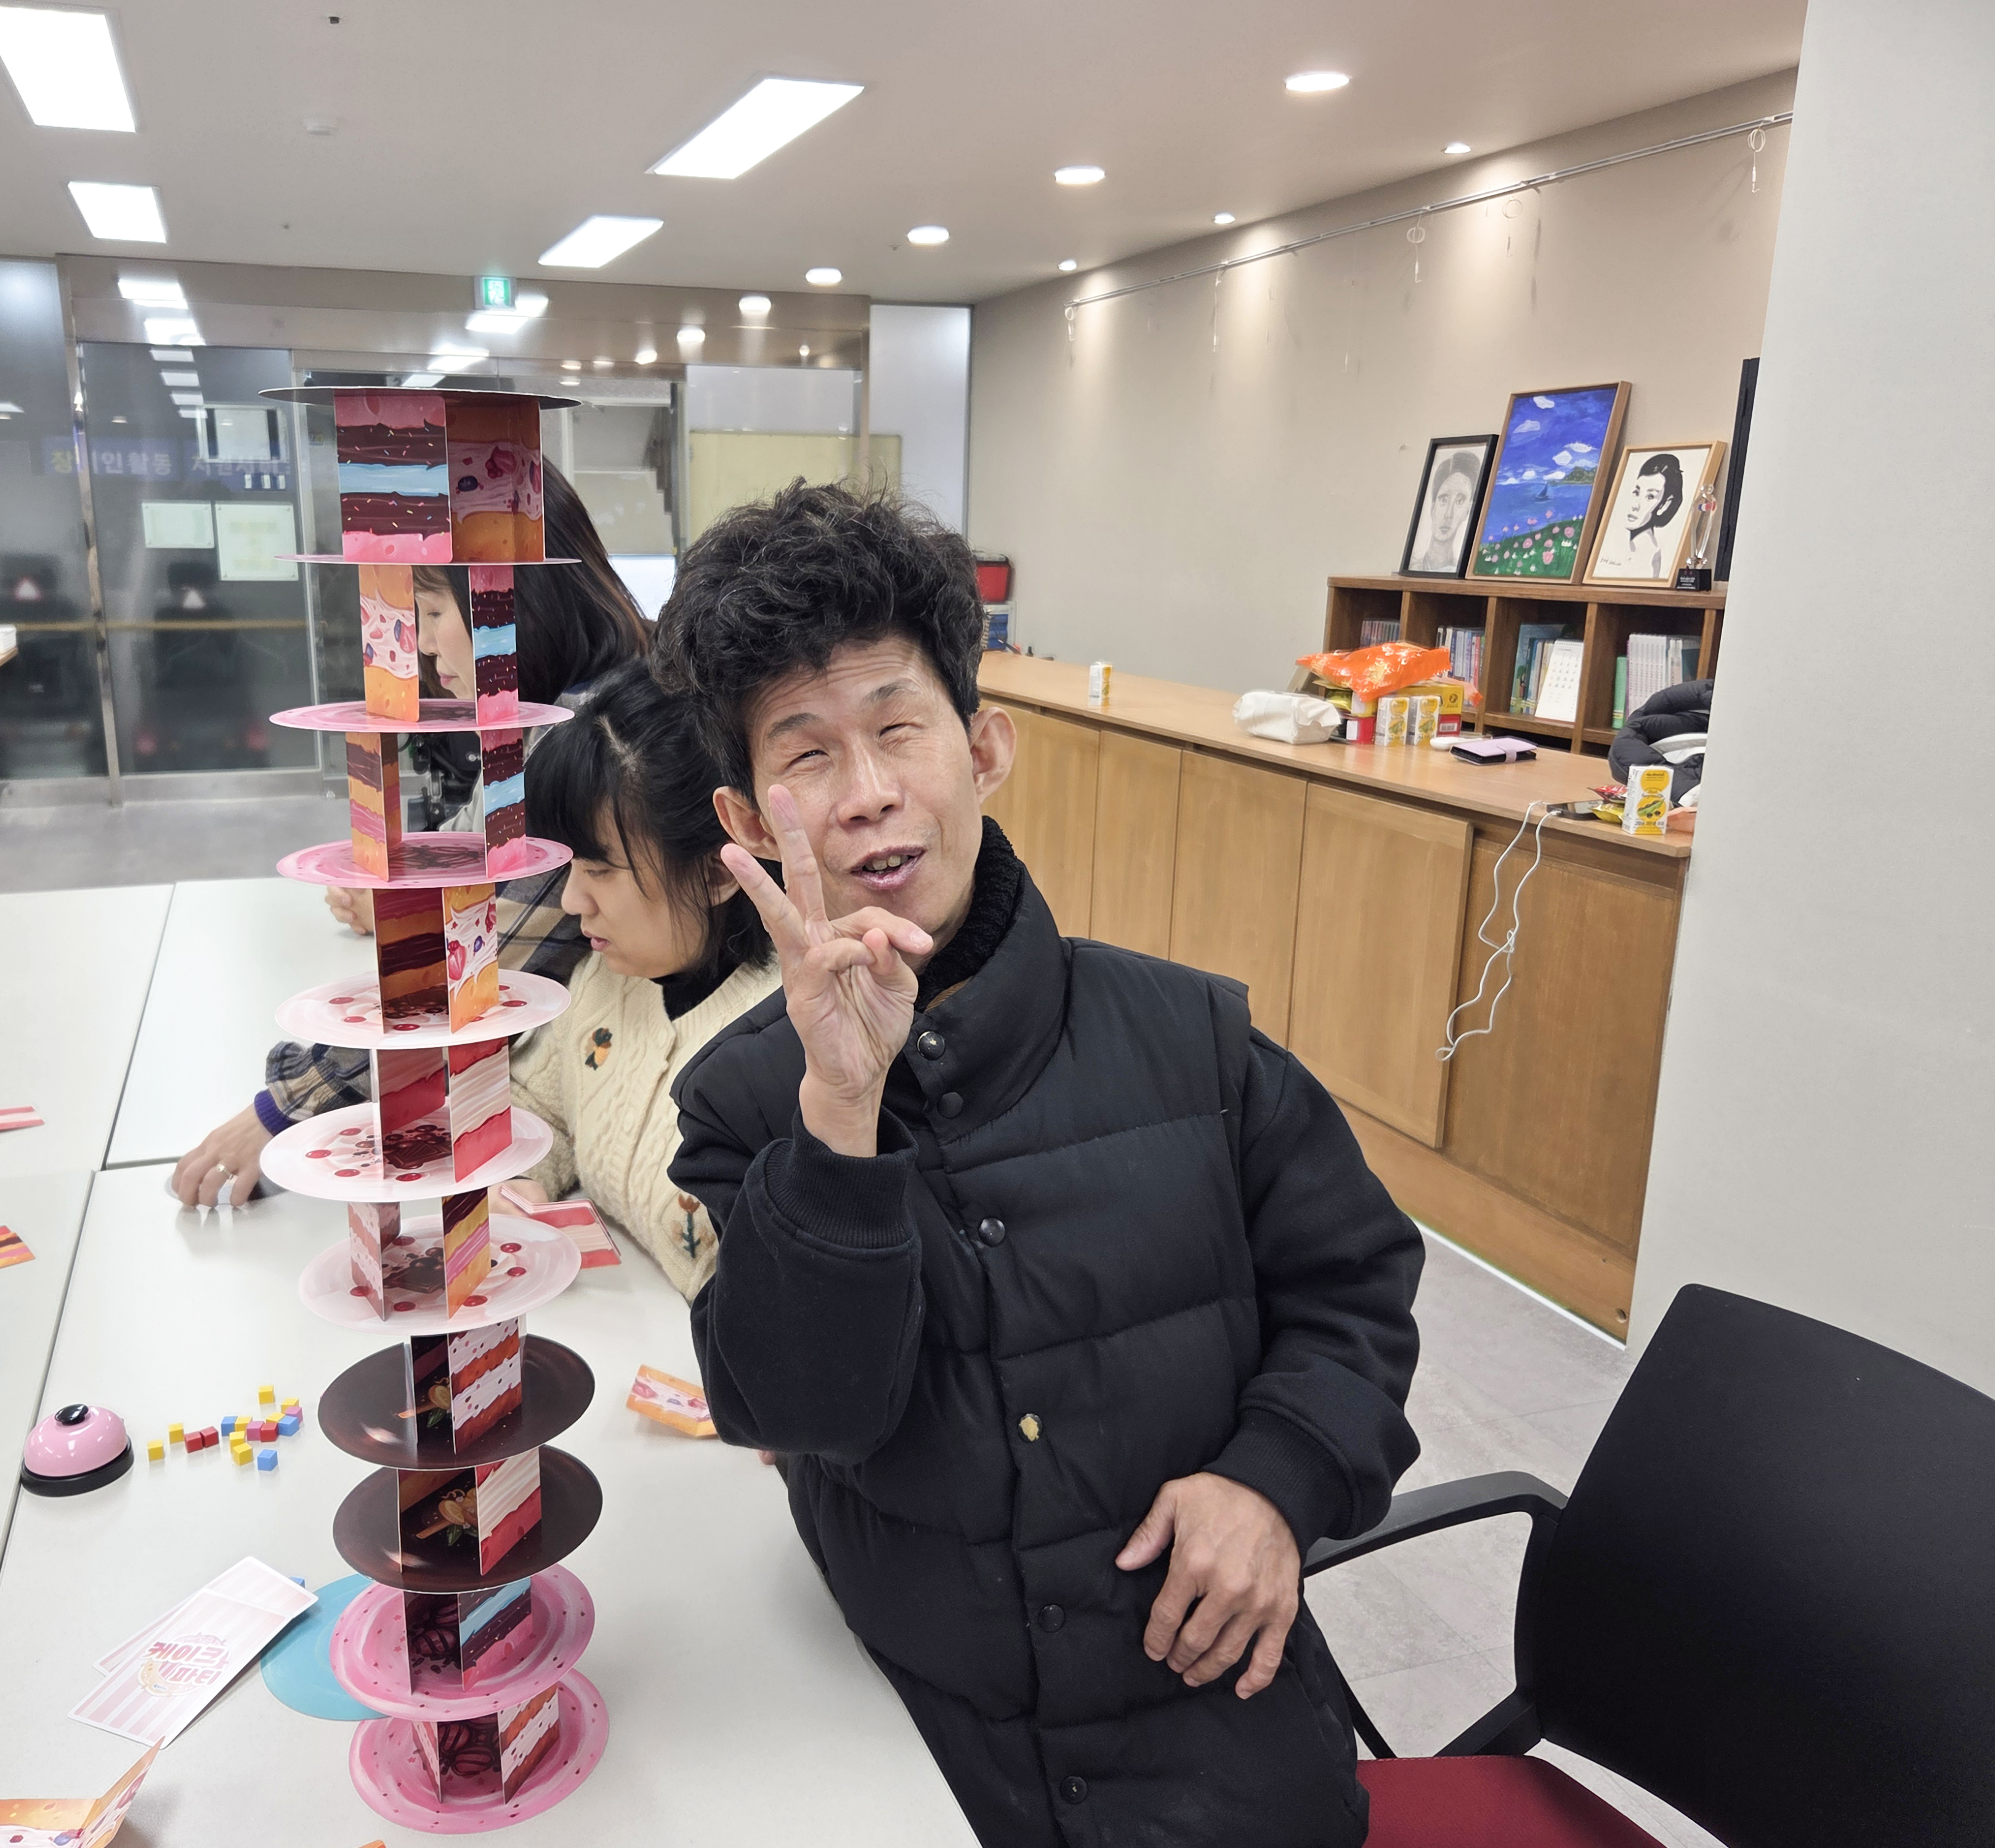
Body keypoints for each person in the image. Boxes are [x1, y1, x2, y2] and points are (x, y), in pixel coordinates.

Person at [654, 482, 1423, 1848]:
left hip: (1204, 1745)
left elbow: (1354, 1287)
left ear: (984, 746)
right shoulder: (743, 1102)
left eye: (899, 729)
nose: (868, 795)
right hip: (913, 1757)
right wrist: (839, 1109)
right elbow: (799, 1413)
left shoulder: (1196, 1044)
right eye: (807, 755)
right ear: (746, 817)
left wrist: (1277, 1477)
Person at [171, 464, 649, 1207]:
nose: (420, 648)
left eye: (429, 611)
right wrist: (403, 900)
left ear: (509, 602)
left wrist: (282, 1109)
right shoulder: (547, 716)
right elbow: (464, 859)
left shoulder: (585, 743)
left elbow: (474, 972)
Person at [501, 660, 779, 1297]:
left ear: (717, 873)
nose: (571, 901)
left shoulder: (789, 1043)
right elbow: (540, 1105)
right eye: (570, 868)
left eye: (600, 872)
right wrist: (521, 1181)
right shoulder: (604, 978)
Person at [1594, 451, 1685, 578]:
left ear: (1664, 505)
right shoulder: (1621, 547)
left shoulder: (1648, 556)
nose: (1635, 505)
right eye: (1636, 493)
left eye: (1650, 496)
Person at [1407, 449, 1480, 572]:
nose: (1448, 515)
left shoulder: (1458, 569)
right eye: (1443, 500)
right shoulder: (1413, 567)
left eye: (1459, 501)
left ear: (1467, 511)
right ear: (1433, 507)